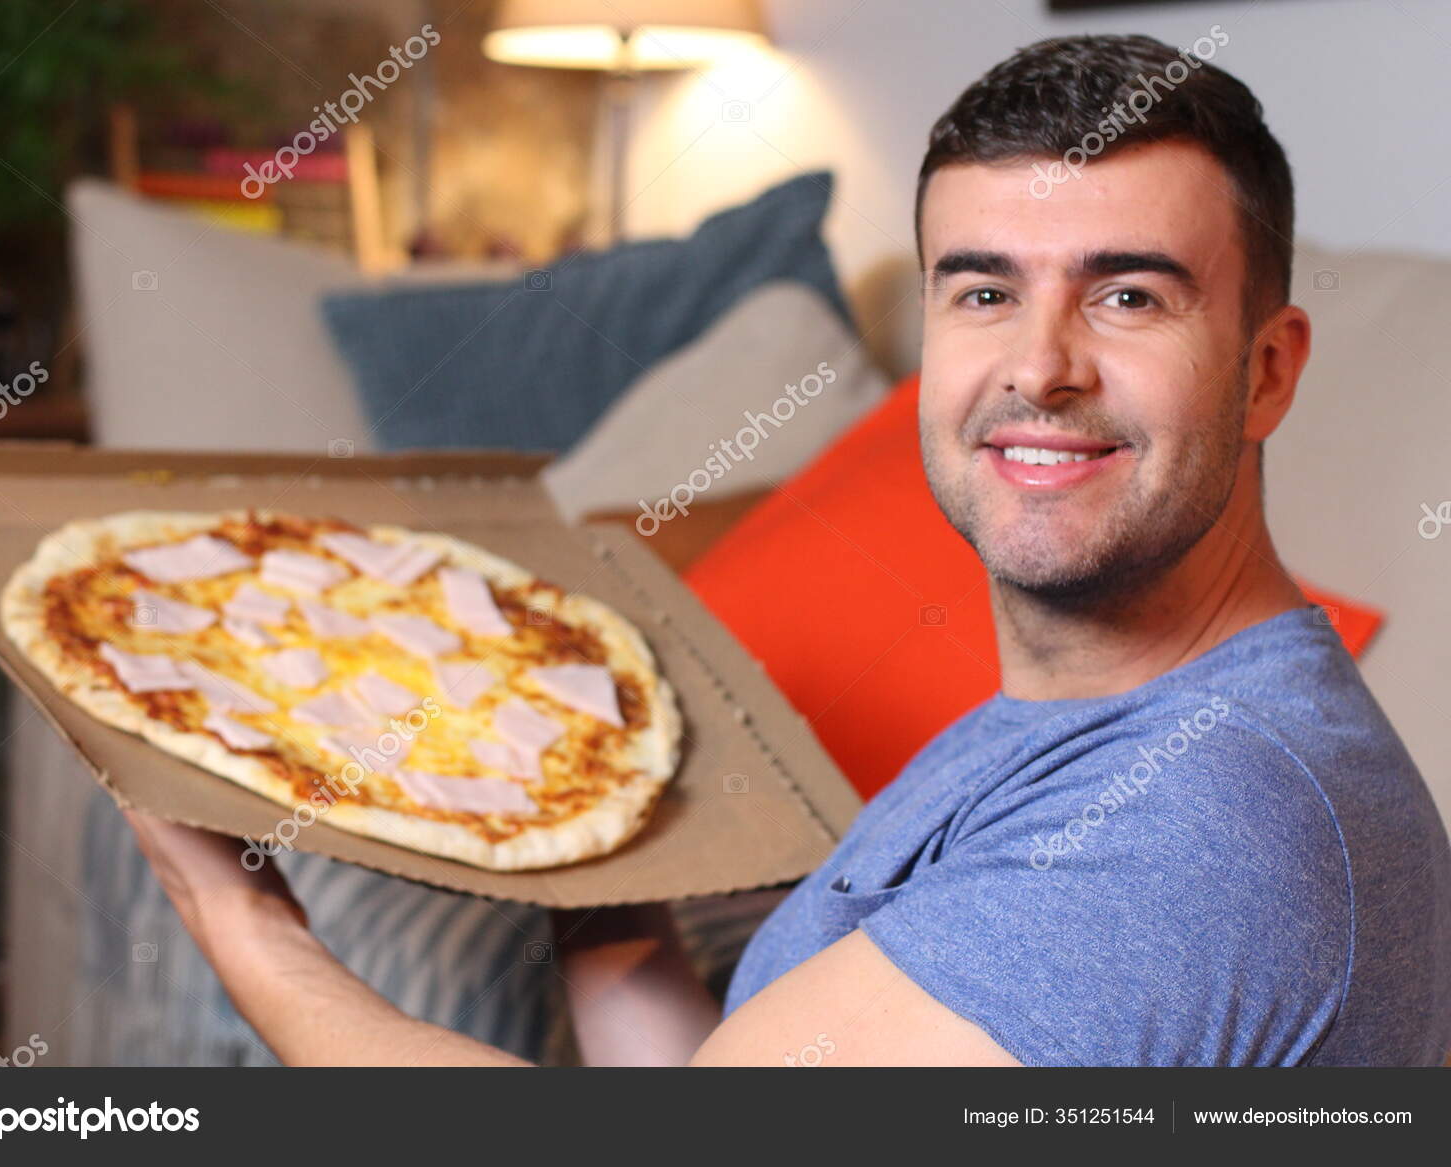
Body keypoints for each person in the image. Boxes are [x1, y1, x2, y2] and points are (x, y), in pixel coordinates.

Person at [122, 33, 1451, 1067]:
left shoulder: (1201, 829)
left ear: (1267, 373)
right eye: (984, 291)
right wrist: (596, 870)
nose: (1040, 368)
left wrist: (232, 911)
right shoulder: (1080, 721)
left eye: (1126, 295)